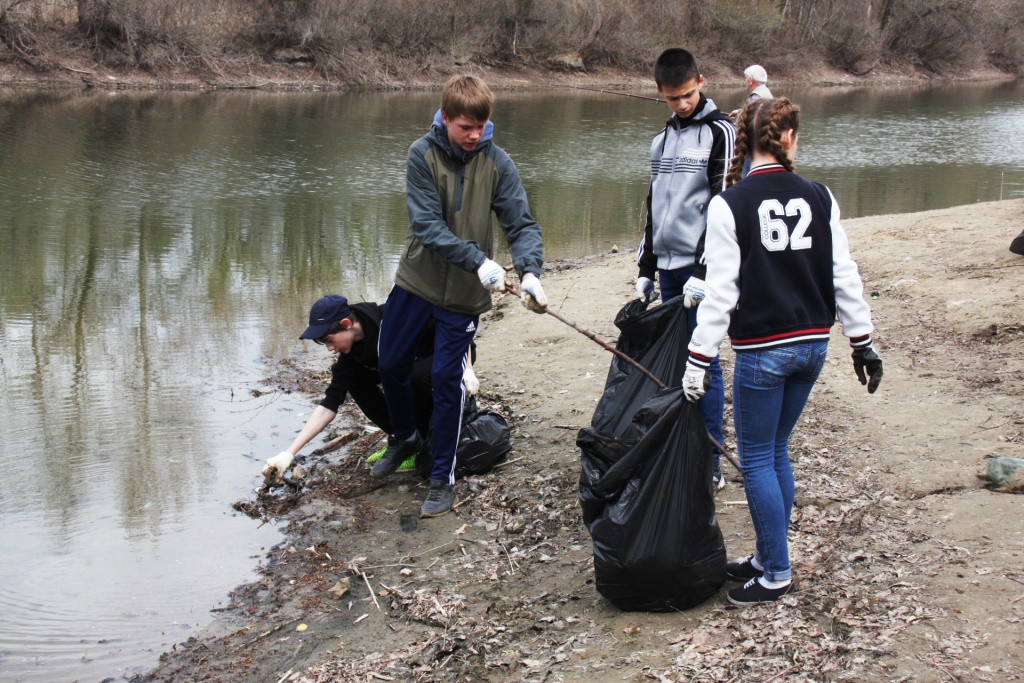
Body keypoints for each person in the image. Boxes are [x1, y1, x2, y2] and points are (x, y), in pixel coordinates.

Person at [683, 97, 884, 606]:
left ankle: (775, 572)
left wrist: (697, 358)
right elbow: (844, 274)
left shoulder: (730, 203)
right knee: (774, 452)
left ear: (745, 142)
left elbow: (721, 291)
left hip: (763, 351)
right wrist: (862, 342)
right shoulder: (820, 195)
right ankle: (766, 554)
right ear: (788, 137)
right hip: (813, 348)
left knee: (755, 458)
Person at [374, 74, 547, 519]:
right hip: (417, 281)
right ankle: (406, 437)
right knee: (390, 364)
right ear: (445, 117)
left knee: (448, 382)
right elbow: (426, 227)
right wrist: (480, 260)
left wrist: (529, 272)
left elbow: (520, 223)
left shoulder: (498, 161)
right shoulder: (422, 154)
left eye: (481, 127)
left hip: (465, 297)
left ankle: (441, 479)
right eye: (465, 127)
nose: (474, 136)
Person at [635, 47, 734, 490]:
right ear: (659, 92)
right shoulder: (660, 140)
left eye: (688, 95)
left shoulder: (721, 132)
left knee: (704, 363)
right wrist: (646, 268)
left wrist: (704, 269)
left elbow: (726, 207)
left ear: (702, 81)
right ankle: (680, 448)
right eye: (673, 98)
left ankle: (710, 462)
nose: (682, 104)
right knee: (675, 367)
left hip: (702, 272)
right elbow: (654, 209)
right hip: (669, 270)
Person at [261, 294, 477, 485]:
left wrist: (467, 368)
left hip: (452, 354)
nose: (329, 348)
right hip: (407, 371)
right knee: (357, 381)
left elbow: (452, 324)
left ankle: (431, 437)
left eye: (328, 340)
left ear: (346, 323)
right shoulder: (350, 356)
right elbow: (330, 403)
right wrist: (288, 454)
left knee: (413, 377)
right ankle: (408, 439)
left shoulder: (394, 317)